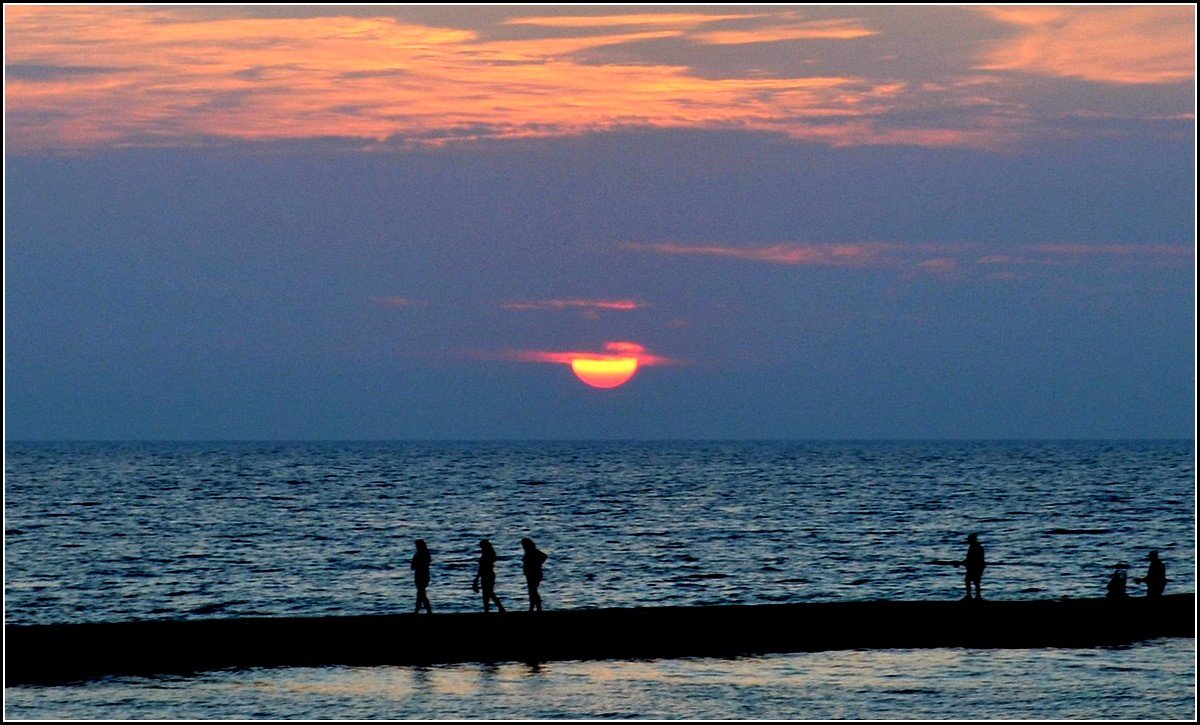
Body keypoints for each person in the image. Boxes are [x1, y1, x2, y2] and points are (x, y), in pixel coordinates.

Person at [472, 539, 505, 612]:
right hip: (487, 575)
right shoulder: (488, 554)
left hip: (487, 575)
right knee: (487, 593)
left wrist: (477, 578)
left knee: (488, 592)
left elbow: (482, 568)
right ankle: (488, 609)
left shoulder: (487, 554)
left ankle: (499, 608)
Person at [955, 533, 986, 600]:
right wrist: (961, 563)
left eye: (969, 539)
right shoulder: (975, 547)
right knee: (971, 581)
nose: (968, 541)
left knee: (974, 581)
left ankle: (975, 596)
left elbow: (970, 559)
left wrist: (960, 563)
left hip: (976, 567)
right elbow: (968, 559)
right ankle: (973, 596)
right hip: (975, 567)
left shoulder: (976, 547)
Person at [521, 537, 549, 612]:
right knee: (532, 591)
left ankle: (536, 607)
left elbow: (544, 556)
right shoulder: (529, 552)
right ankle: (534, 606)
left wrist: (537, 564)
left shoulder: (533, 552)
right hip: (530, 574)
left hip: (534, 574)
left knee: (532, 591)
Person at [410, 539, 432, 614]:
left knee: (421, 593)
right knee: (421, 593)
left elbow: (413, 566)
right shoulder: (426, 553)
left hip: (420, 576)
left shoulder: (419, 554)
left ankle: (425, 609)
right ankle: (419, 609)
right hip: (425, 575)